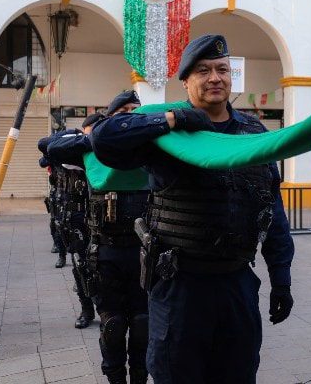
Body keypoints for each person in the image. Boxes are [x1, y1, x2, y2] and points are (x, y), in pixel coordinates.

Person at [91, 34, 295, 383]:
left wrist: (282, 280)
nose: (215, 78)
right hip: (180, 287)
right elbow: (104, 138)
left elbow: (272, 209)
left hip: (237, 283)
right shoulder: (167, 132)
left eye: (222, 69)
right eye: (203, 71)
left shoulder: (252, 131)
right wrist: (172, 121)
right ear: (186, 81)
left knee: (239, 374)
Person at [49, 91, 149, 384]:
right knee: (113, 325)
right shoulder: (94, 147)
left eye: (136, 110)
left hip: (145, 253)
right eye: (124, 110)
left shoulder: (151, 146)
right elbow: (50, 147)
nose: (131, 114)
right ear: (111, 116)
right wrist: (97, 137)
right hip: (106, 252)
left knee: (143, 324)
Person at [44, 127, 96, 328]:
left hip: (97, 220)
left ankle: (103, 307)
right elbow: (44, 145)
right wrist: (76, 135)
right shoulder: (61, 158)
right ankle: (86, 309)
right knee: (80, 265)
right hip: (72, 220)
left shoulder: (91, 157)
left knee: (98, 266)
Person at [37, 136, 66, 264]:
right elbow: (42, 162)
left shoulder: (69, 154)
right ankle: (61, 253)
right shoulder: (51, 155)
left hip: (69, 192)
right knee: (56, 222)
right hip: (56, 191)